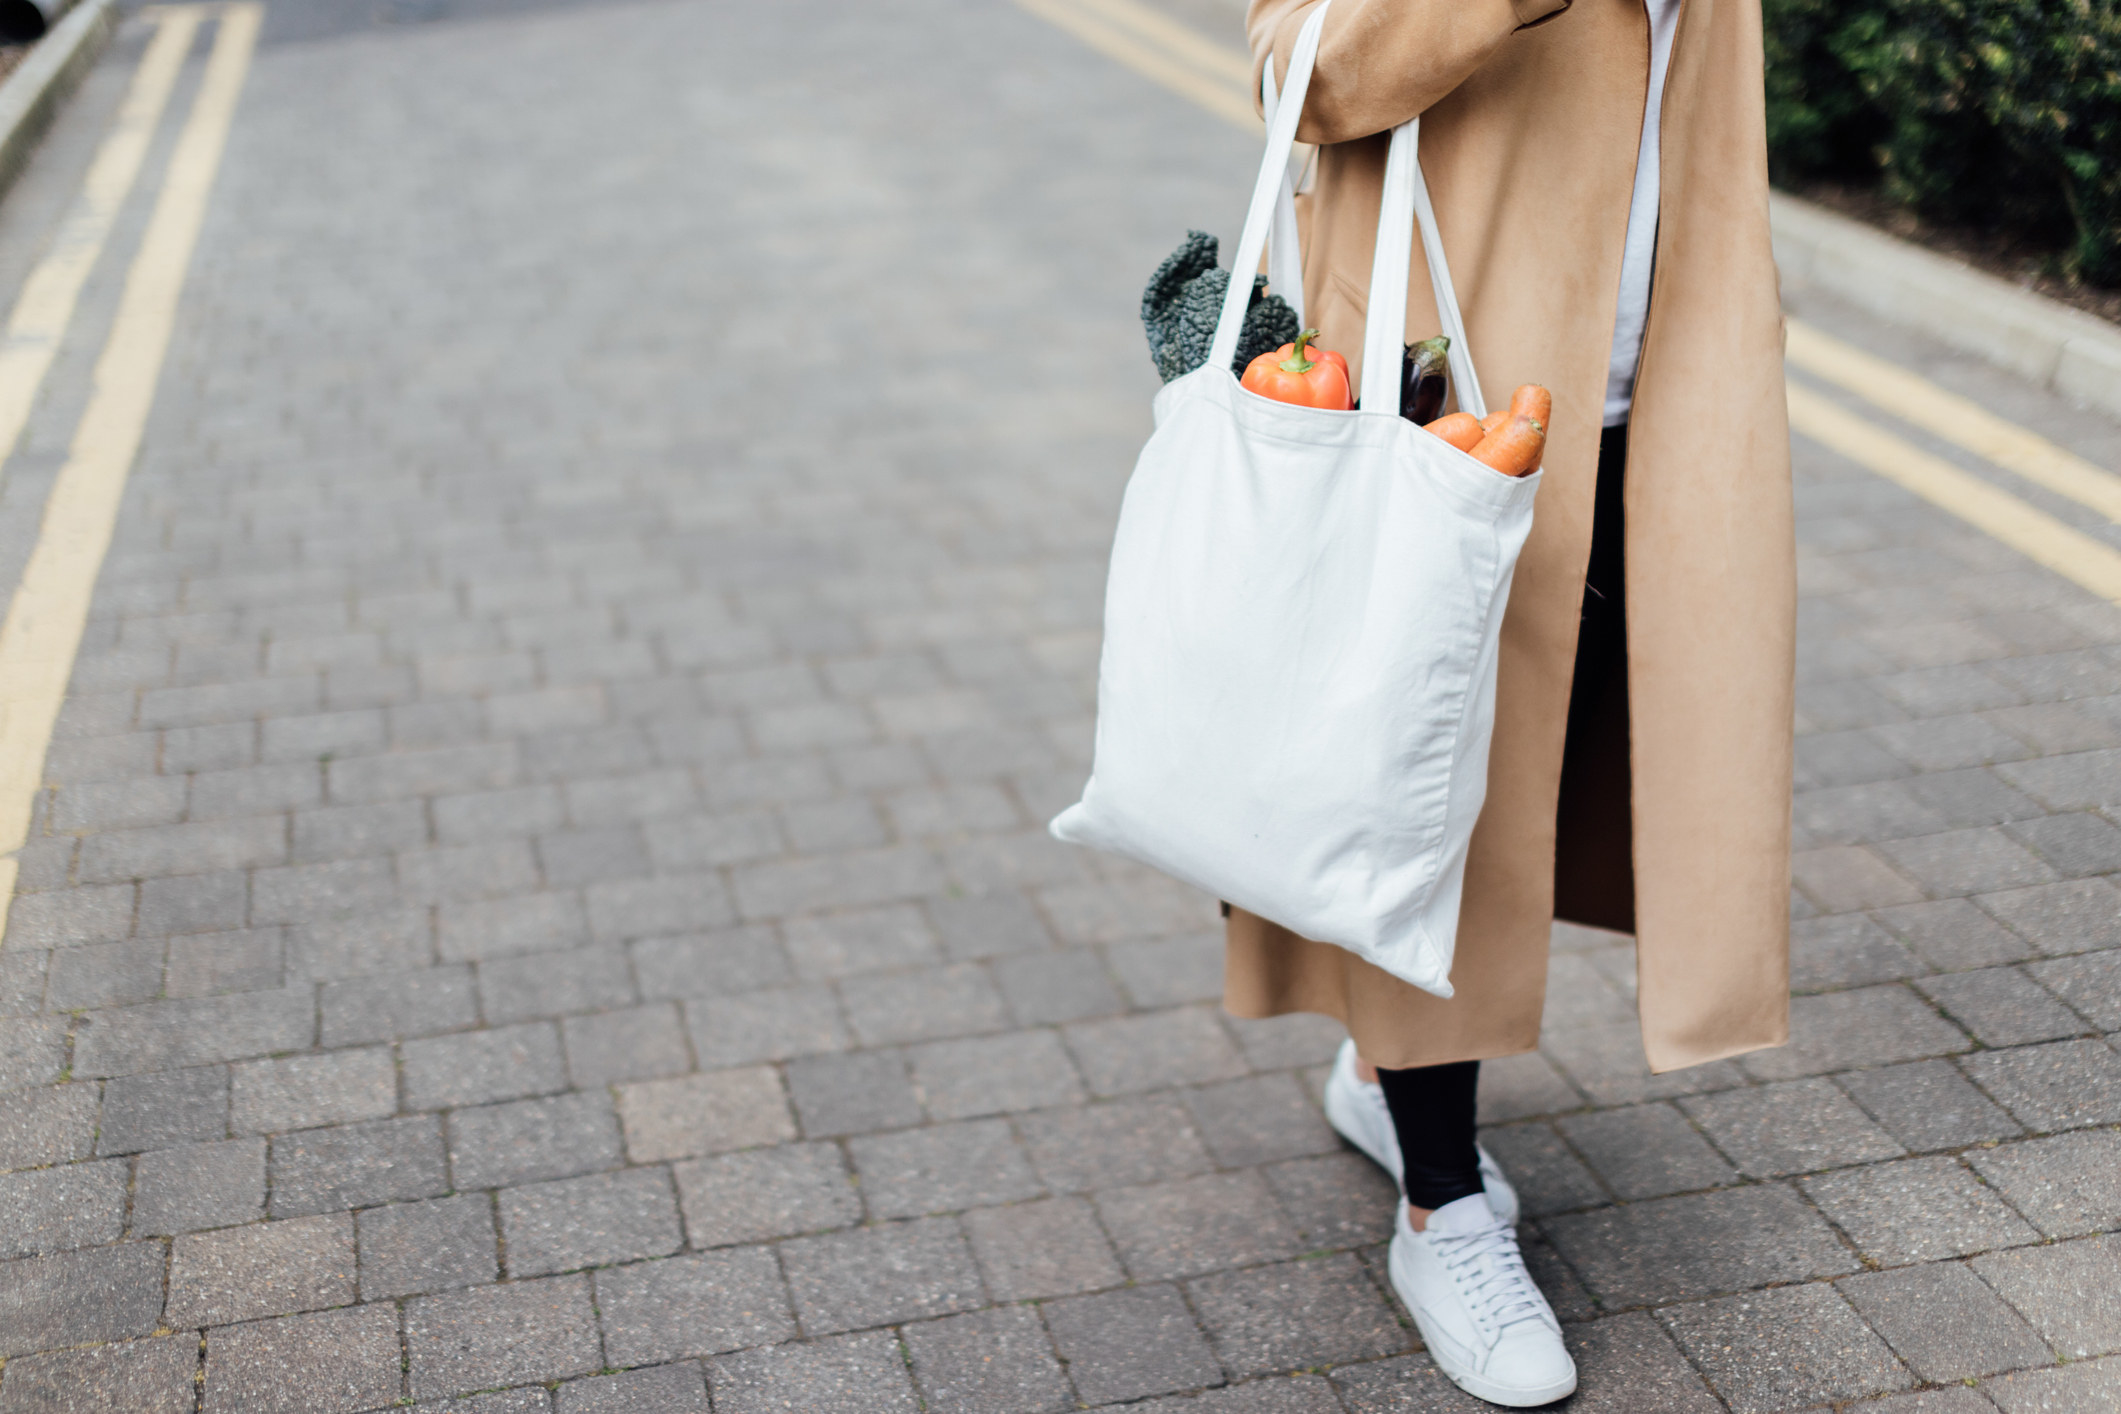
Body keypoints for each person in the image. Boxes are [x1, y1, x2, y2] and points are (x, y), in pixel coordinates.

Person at [1227, 0, 1794, 1405]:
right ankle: (1440, 1209)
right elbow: (1297, 67)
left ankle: (1381, 1067)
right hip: (1441, 381)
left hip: (1653, 374)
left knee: (1568, 755)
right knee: (1439, 787)